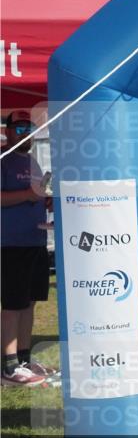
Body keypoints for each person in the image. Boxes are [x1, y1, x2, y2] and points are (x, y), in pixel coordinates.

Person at [1, 111, 57, 386]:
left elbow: (35, 193)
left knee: (30, 302)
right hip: (10, 243)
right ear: (7, 131)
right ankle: (9, 367)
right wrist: (29, 196)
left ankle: (23, 360)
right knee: (12, 304)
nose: (26, 133)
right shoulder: (3, 158)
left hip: (35, 240)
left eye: (30, 128)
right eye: (20, 127)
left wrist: (45, 201)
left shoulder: (32, 160)